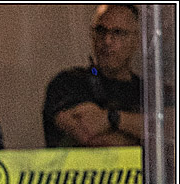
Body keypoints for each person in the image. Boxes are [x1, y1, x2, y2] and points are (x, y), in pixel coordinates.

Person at [43, 4, 142, 147]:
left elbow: (169, 130)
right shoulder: (68, 83)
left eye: (118, 32)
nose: (107, 41)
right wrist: (140, 135)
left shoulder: (150, 91)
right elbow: (88, 136)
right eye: (101, 31)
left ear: (136, 40)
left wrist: (111, 119)